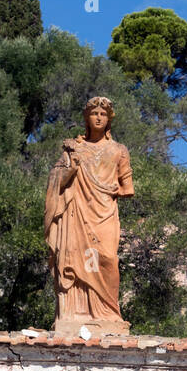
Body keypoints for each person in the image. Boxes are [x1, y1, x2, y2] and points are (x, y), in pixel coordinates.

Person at [44, 96, 134, 329]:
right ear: (87, 118)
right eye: (94, 113)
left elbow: (127, 188)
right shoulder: (74, 148)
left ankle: (109, 312)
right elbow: (55, 181)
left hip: (104, 213)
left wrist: (110, 188)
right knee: (76, 255)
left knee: (108, 259)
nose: (99, 118)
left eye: (103, 114)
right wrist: (71, 167)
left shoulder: (119, 151)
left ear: (109, 119)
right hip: (77, 211)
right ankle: (76, 314)